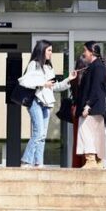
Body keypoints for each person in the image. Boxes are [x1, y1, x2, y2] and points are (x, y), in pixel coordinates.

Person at [18, 40, 77, 168]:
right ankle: (26, 160)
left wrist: (69, 79)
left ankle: (38, 162)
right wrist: (42, 83)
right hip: (35, 101)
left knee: (43, 135)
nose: (51, 53)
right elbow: (25, 81)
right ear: (42, 50)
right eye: (49, 50)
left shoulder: (49, 67)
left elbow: (55, 87)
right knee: (38, 132)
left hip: (47, 103)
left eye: (51, 50)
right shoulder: (34, 64)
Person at [76, 41, 106, 169]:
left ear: (92, 52)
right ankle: (97, 162)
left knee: (86, 132)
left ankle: (91, 161)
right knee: (96, 134)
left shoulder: (97, 67)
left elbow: (96, 88)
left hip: (92, 107)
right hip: (95, 107)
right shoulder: (96, 66)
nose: (84, 54)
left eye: (85, 51)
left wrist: (87, 105)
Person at [70, 56, 88, 168]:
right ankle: (83, 163)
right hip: (82, 109)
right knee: (84, 138)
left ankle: (76, 164)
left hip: (75, 108)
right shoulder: (85, 77)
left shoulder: (74, 77)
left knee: (77, 139)